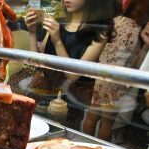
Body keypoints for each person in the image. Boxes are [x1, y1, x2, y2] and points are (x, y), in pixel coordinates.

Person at [25, 0, 114, 128]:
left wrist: (57, 41)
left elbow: (73, 77)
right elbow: (37, 63)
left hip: (71, 103)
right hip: (45, 95)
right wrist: (32, 32)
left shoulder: (99, 31)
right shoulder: (58, 22)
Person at [82, 0, 149, 141]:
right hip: (118, 79)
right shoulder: (137, 30)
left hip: (103, 72)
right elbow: (136, 65)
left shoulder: (115, 20)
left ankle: (85, 144)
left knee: (91, 115)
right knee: (107, 122)